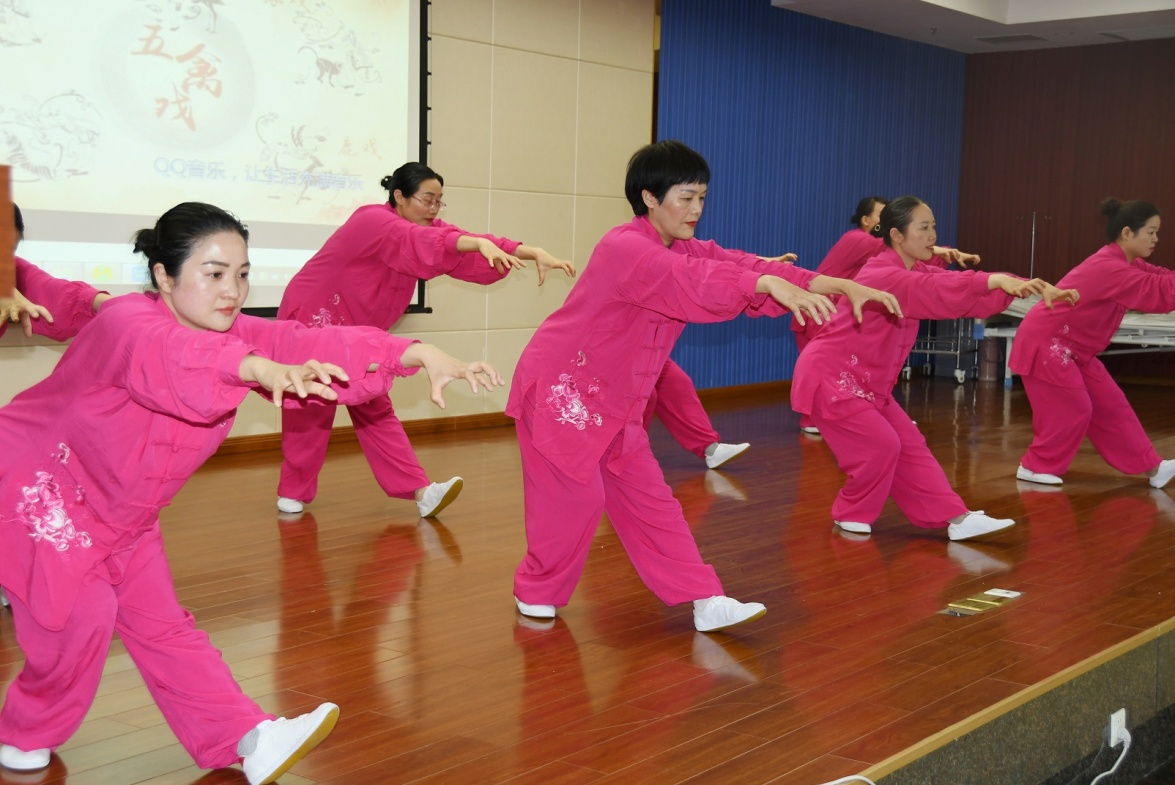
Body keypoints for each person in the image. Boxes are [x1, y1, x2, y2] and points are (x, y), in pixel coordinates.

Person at [0, 202, 504, 782]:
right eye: (214, 274)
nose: (232, 291)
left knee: (164, 625)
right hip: (41, 494)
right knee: (82, 620)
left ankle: (247, 739)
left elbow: (302, 341)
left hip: (124, 514)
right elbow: (173, 359)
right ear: (165, 276)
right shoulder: (127, 323)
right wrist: (258, 369)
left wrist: (413, 353)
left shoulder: (232, 333)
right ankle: (23, 733)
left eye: (241, 274)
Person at [506, 140, 902, 633]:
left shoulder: (682, 246)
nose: (696, 209)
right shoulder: (624, 247)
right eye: (686, 197)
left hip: (616, 402)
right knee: (576, 500)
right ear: (649, 197)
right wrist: (760, 286)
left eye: (702, 198)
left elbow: (744, 265)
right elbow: (691, 280)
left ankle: (704, 598)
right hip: (562, 391)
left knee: (652, 500)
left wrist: (836, 284)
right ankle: (537, 589)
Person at [275, 163, 575, 519]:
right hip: (316, 318)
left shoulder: (426, 229)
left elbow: (462, 242)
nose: (434, 209)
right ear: (399, 196)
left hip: (360, 334)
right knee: (311, 405)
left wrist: (530, 250)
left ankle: (420, 491)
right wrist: (475, 242)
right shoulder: (372, 221)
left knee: (374, 404)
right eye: (427, 200)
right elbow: (427, 242)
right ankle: (293, 490)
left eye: (439, 201)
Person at [790, 196, 1078, 539]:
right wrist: (996, 281)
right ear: (897, 235)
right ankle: (851, 511)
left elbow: (959, 285)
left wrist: (1022, 285)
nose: (932, 236)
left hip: (867, 383)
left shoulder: (912, 269)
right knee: (882, 445)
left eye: (934, 227)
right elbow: (940, 289)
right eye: (924, 228)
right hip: (832, 377)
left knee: (910, 445)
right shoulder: (883, 274)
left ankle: (955, 518)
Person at [1011, 198, 1175, 489]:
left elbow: (1162, 278)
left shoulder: (1128, 263)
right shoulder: (1110, 267)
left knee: (1111, 405)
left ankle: (1152, 467)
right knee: (1074, 407)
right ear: (1127, 233)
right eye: (1151, 232)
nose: (1155, 239)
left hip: (1072, 349)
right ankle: (1035, 467)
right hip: (1048, 344)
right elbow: (1159, 292)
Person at [792, 196, 980, 434]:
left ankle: (869, 417)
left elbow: (907, 257)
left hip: (834, 310)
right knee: (828, 373)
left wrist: (942, 254)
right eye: (881, 216)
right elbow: (893, 247)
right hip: (819, 311)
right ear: (865, 220)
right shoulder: (856, 239)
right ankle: (815, 421)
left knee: (853, 373)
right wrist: (943, 252)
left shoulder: (880, 254)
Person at [644, 359, 749, 469]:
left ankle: (711, 449)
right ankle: (634, 452)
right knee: (646, 394)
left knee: (677, 382)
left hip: (647, 352)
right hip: (632, 355)